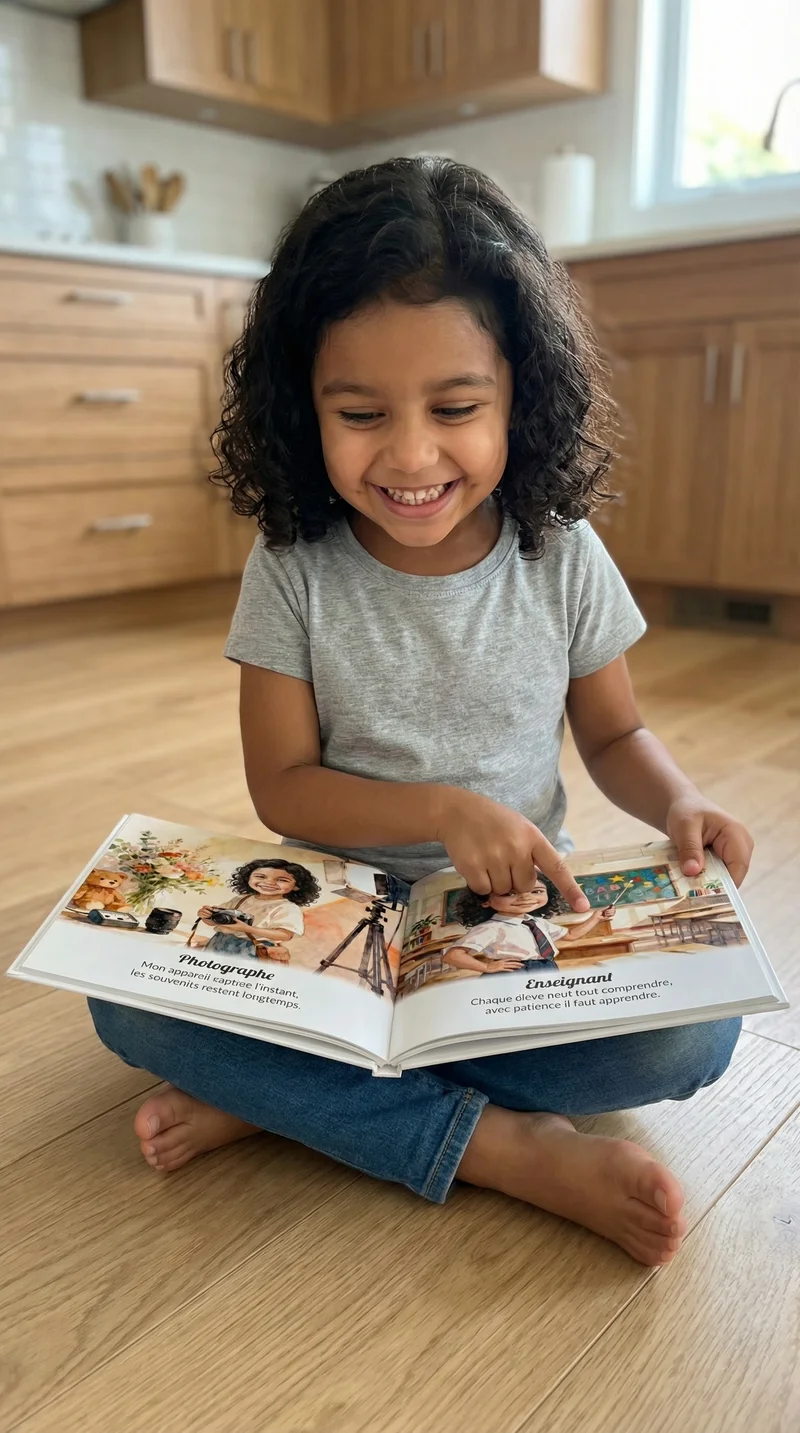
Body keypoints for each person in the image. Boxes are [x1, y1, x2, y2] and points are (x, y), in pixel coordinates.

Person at [88, 158, 752, 1268]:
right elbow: (283, 786)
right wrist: (442, 807)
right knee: (123, 1003)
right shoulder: (292, 565)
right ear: (300, 404)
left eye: (455, 408)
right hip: (331, 928)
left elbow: (615, 735)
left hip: (507, 932)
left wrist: (679, 801)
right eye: (359, 413)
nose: (408, 454)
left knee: (694, 1035)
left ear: (520, 395)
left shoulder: (559, 552)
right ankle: (498, 1146)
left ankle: (292, 1094)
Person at [443, 878, 615, 975]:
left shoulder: (537, 922)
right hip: (515, 972)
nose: (526, 898)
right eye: (509, 894)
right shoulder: (491, 928)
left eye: (536, 891)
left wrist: (595, 918)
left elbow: (570, 935)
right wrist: (487, 967)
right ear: (485, 901)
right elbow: (452, 956)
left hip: (548, 967)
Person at [196, 858, 320, 964]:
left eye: (282, 880)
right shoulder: (241, 899)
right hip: (218, 941)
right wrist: (206, 916)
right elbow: (215, 922)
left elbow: (285, 935)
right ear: (248, 878)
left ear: (297, 886)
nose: (269, 882)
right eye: (260, 876)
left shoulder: (287, 908)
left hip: (252, 949)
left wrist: (247, 929)